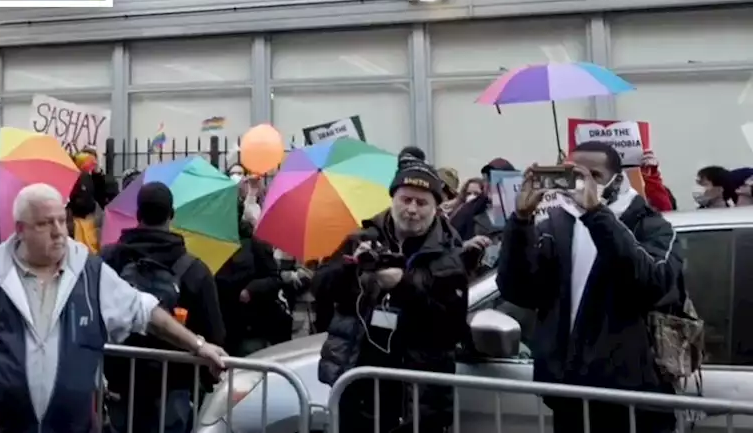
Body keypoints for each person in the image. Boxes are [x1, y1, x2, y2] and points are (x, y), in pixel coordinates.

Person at [0, 184, 226, 433]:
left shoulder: (90, 272)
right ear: (20, 229)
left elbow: (145, 311)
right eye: (46, 223)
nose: (59, 231)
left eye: (62, 219)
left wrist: (198, 345)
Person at [497, 142, 683, 433]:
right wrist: (521, 222)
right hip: (568, 392)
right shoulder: (556, 225)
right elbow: (518, 291)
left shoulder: (651, 225)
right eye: (574, 175)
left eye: (593, 175)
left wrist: (596, 212)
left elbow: (649, 284)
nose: (583, 184)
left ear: (616, 179)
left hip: (631, 396)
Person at [315, 161, 467, 433]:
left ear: (435, 208)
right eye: (405, 199)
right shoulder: (361, 237)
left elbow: (451, 326)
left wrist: (403, 285)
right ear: (392, 199)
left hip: (416, 397)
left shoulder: (449, 255)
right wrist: (351, 266)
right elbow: (321, 288)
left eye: (421, 203)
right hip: (359, 385)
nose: (411, 210)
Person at [100, 182, 225, 433]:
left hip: (119, 383)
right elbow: (216, 333)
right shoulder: (194, 270)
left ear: (137, 215)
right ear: (172, 215)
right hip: (173, 387)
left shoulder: (107, 260)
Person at [216, 200, 287, 355]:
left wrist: (251, 290)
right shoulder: (214, 243)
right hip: (223, 324)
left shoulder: (254, 243)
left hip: (251, 325)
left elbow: (274, 279)